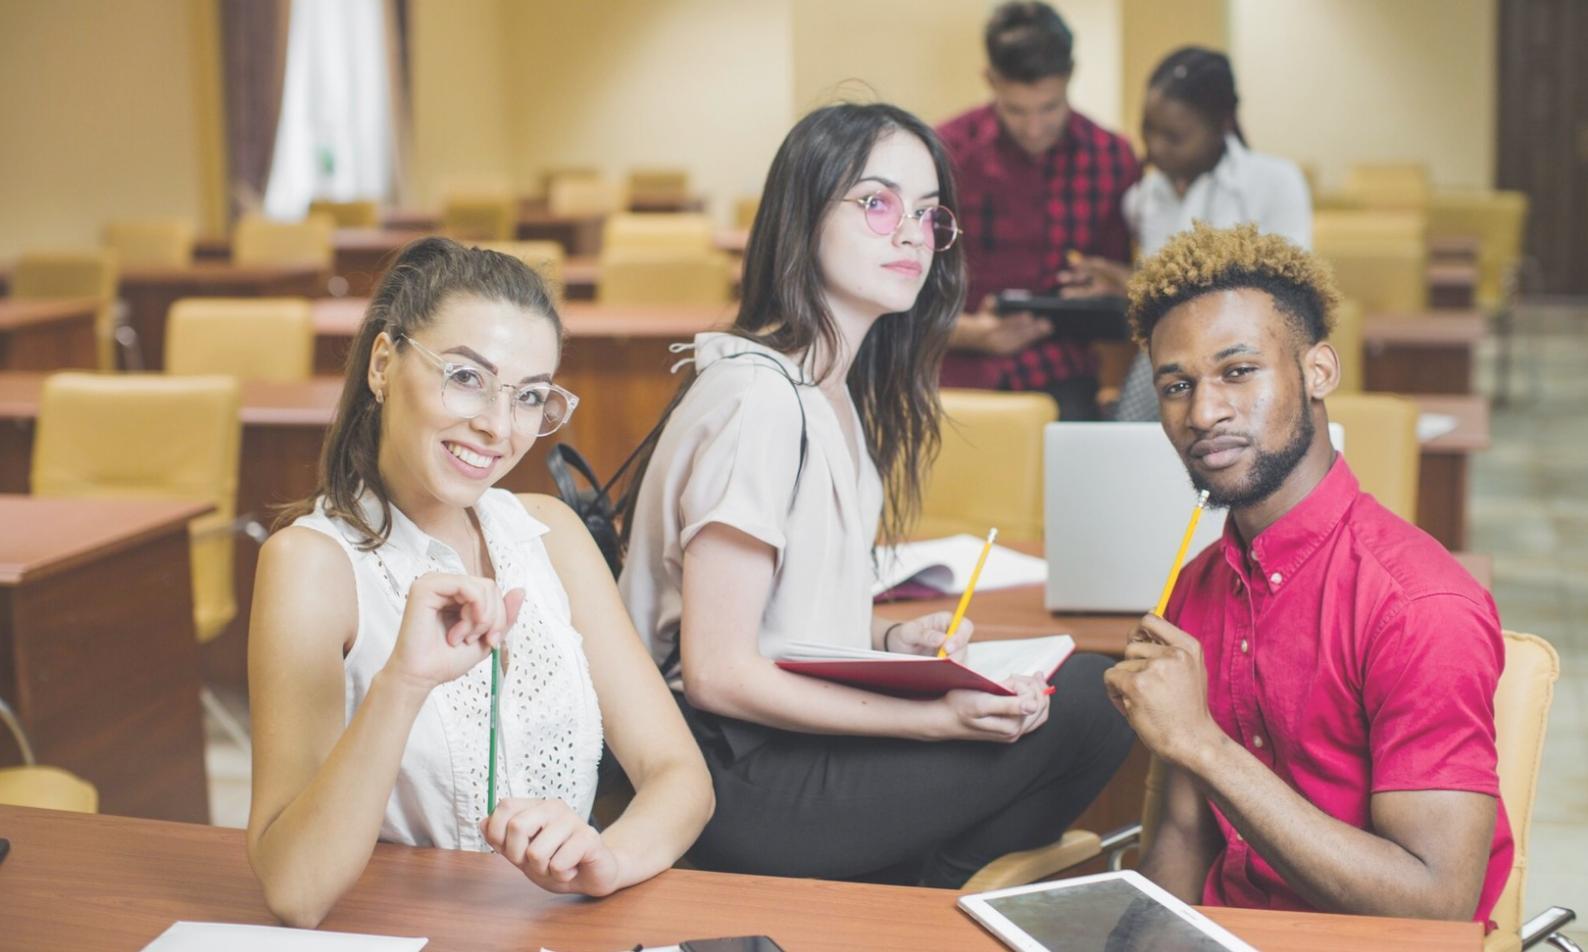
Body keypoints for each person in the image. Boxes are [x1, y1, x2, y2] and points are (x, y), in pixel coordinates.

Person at [618, 102, 1134, 889]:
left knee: (1081, 694)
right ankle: (916, 906)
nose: (910, 234)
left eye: (928, 214)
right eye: (878, 203)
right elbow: (720, 670)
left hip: (779, 747)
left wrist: (891, 645)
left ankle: (909, 900)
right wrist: (929, 719)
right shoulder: (758, 400)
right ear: (803, 215)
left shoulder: (826, 391)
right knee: (1091, 702)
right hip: (727, 775)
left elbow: (770, 613)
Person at [246, 238, 713, 927]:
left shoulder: (549, 533)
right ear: (382, 363)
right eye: (465, 377)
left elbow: (681, 776)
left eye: (529, 397)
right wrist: (403, 682)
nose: (498, 426)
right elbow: (295, 891)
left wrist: (606, 860)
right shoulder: (311, 564)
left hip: (559, 931)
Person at [1104, 223, 1512, 923]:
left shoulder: (1419, 606)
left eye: (1238, 372)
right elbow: (1179, 836)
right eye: (1177, 385)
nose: (1205, 413)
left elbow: (1437, 905)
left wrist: (1201, 744)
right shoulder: (1198, 584)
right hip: (1228, 932)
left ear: (1319, 371)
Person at [1067, 46, 1312, 421]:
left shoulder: (1275, 183)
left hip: (1250, 363)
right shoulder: (1144, 196)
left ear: (1222, 125)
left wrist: (1137, 282)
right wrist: (1120, 285)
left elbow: (1288, 297)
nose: (1154, 147)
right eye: (1148, 129)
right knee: (1128, 443)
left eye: (1174, 136)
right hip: (1165, 362)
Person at [937, 1, 1140, 422]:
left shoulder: (1111, 158)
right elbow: (904, 290)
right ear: (990, 81)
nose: (1033, 129)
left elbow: (1122, 304)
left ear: (1069, 77)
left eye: (1049, 108)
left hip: (1062, 372)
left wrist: (1108, 285)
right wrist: (973, 334)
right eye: (1016, 110)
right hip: (951, 366)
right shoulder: (945, 152)